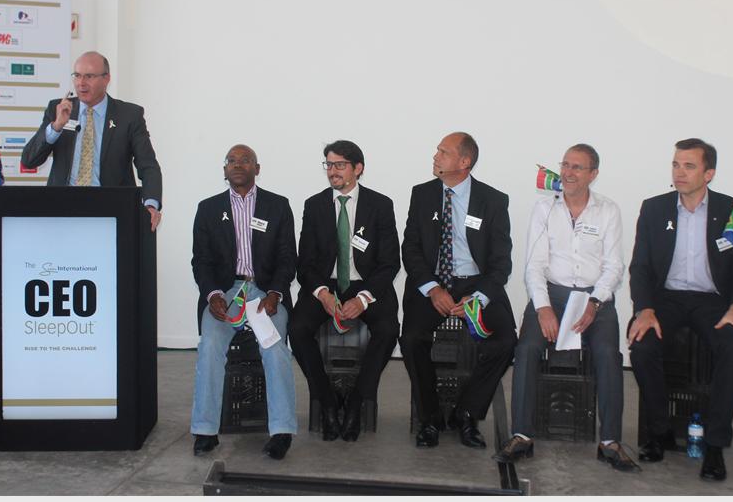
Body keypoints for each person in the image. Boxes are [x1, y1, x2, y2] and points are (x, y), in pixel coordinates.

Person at [495, 144, 639, 471]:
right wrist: (543, 308)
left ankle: (610, 442)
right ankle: (521, 435)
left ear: (593, 174)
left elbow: (614, 267)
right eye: (565, 165)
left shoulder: (608, 210)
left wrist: (594, 303)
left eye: (577, 167)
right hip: (553, 294)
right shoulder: (545, 208)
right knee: (527, 349)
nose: (568, 173)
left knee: (607, 354)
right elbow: (534, 265)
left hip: (594, 298)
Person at [628, 138, 733, 481]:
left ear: (708, 173)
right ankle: (660, 432)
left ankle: (714, 444)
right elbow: (640, 267)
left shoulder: (732, 210)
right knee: (642, 348)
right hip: (666, 299)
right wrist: (644, 309)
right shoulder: (654, 208)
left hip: (712, 301)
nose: (679, 172)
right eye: (675, 164)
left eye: (689, 166)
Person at [400, 132, 516, 449]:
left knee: (505, 341)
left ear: (464, 162)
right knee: (412, 339)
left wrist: (478, 298)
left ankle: (467, 413)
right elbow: (411, 248)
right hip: (434, 281)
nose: (435, 156)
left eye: (444, 152)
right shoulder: (422, 194)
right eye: (437, 150)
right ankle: (430, 418)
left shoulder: (493, 200)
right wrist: (432, 288)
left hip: (475, 282)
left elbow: (501, 262)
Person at [190, 144, 298, 460]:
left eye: (245, 160)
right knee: (210, 345)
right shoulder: (208, 208)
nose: (238, 165)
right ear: (225, 170)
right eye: (232, 161)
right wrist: (213, 295)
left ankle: (281, 431)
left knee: (274, 347)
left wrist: (276, 293)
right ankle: (205, 431)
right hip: (225, 292)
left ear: (257, 169)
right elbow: (201, 261)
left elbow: (287, 257)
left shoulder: (278, 206)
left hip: (264, 292)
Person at [289, 140, 400, 442]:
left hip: (366, 285)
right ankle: (326, 401)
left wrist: (363, 299)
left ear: (358, 168)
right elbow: (305, 263)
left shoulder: (380, 205)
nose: (332, 171)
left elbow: (390, 262)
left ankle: (356, 402)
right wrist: (323, 294)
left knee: (388, 330)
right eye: (329, 164)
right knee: (297, 329)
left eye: (339, 165)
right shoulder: (314, 205)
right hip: (326, 284)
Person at [21, 51, 162, 231]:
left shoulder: (129, 115)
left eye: (89, 76)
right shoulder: (58, 109)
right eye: (77, 75)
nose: (81, 83)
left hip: (112, 212)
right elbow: (29, 160)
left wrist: (150, 204)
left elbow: (148, 165)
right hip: (62, 210)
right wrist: (56, 127)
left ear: (106, 79)